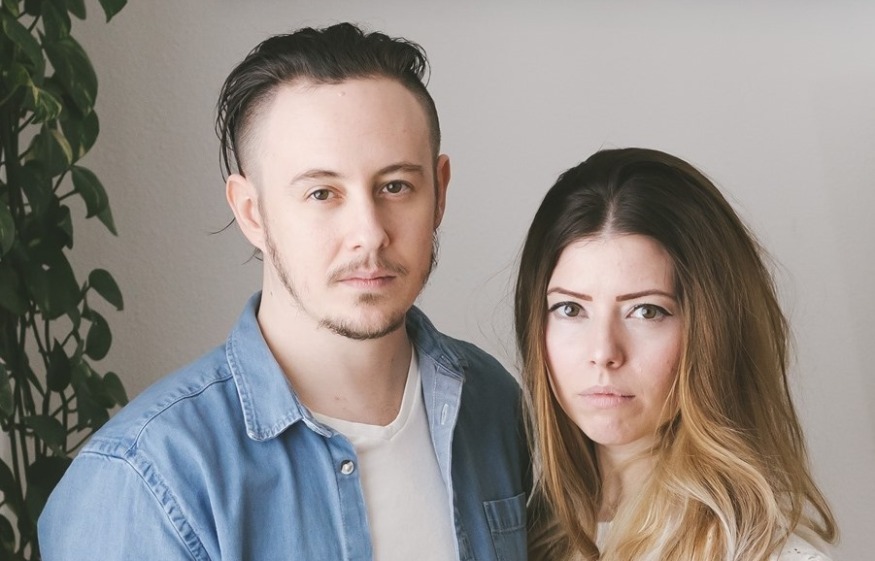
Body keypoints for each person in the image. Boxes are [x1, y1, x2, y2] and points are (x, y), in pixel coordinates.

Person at [39, 23, 528, 560]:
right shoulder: (144, 478)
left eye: (395, 186)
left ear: (439, 192)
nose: (369, 233)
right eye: (322, 193)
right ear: (252, 212)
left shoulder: (494, 403)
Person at [515, 147, 838, 561]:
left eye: (646, 311)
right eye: (570, 309)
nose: (603, 352)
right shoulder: (514, 541)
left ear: (712, 333)